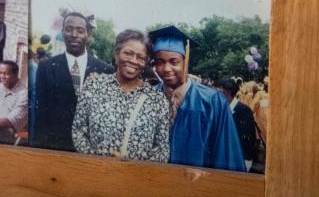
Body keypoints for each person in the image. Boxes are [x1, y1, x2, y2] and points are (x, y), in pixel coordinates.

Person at [148, 26, 246, 171]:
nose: (166, 68)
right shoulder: (149, 98)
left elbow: (226, 153)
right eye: (160, 62)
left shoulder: (212, 101)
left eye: (174, 62)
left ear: (185, 62)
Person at [71, 29, 169, 162]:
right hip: (96, 174)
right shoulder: (94, 85)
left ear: (146, 62)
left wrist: (136, 172)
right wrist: (98, 164)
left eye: (141, 57)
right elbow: (79, 131)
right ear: (117, 54)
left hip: (136, 179)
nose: (134, 61)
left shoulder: (157, 100)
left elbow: (162, 149)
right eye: (128, 53)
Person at [31, 11, 114, 151]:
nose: (74, 34)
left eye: (80, 30)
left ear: (89, 33)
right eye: (69, 29)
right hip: (57, 146)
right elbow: (40, 114)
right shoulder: (46, 67)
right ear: (62, 31)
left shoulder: (105, 70)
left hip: (92, 148)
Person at [216, 76, 259, 172]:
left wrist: (246, 160)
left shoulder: (244, 111)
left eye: (218, 92)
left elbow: (248, 139)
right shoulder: (220, 109)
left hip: (239, 160)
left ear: (226, 93)